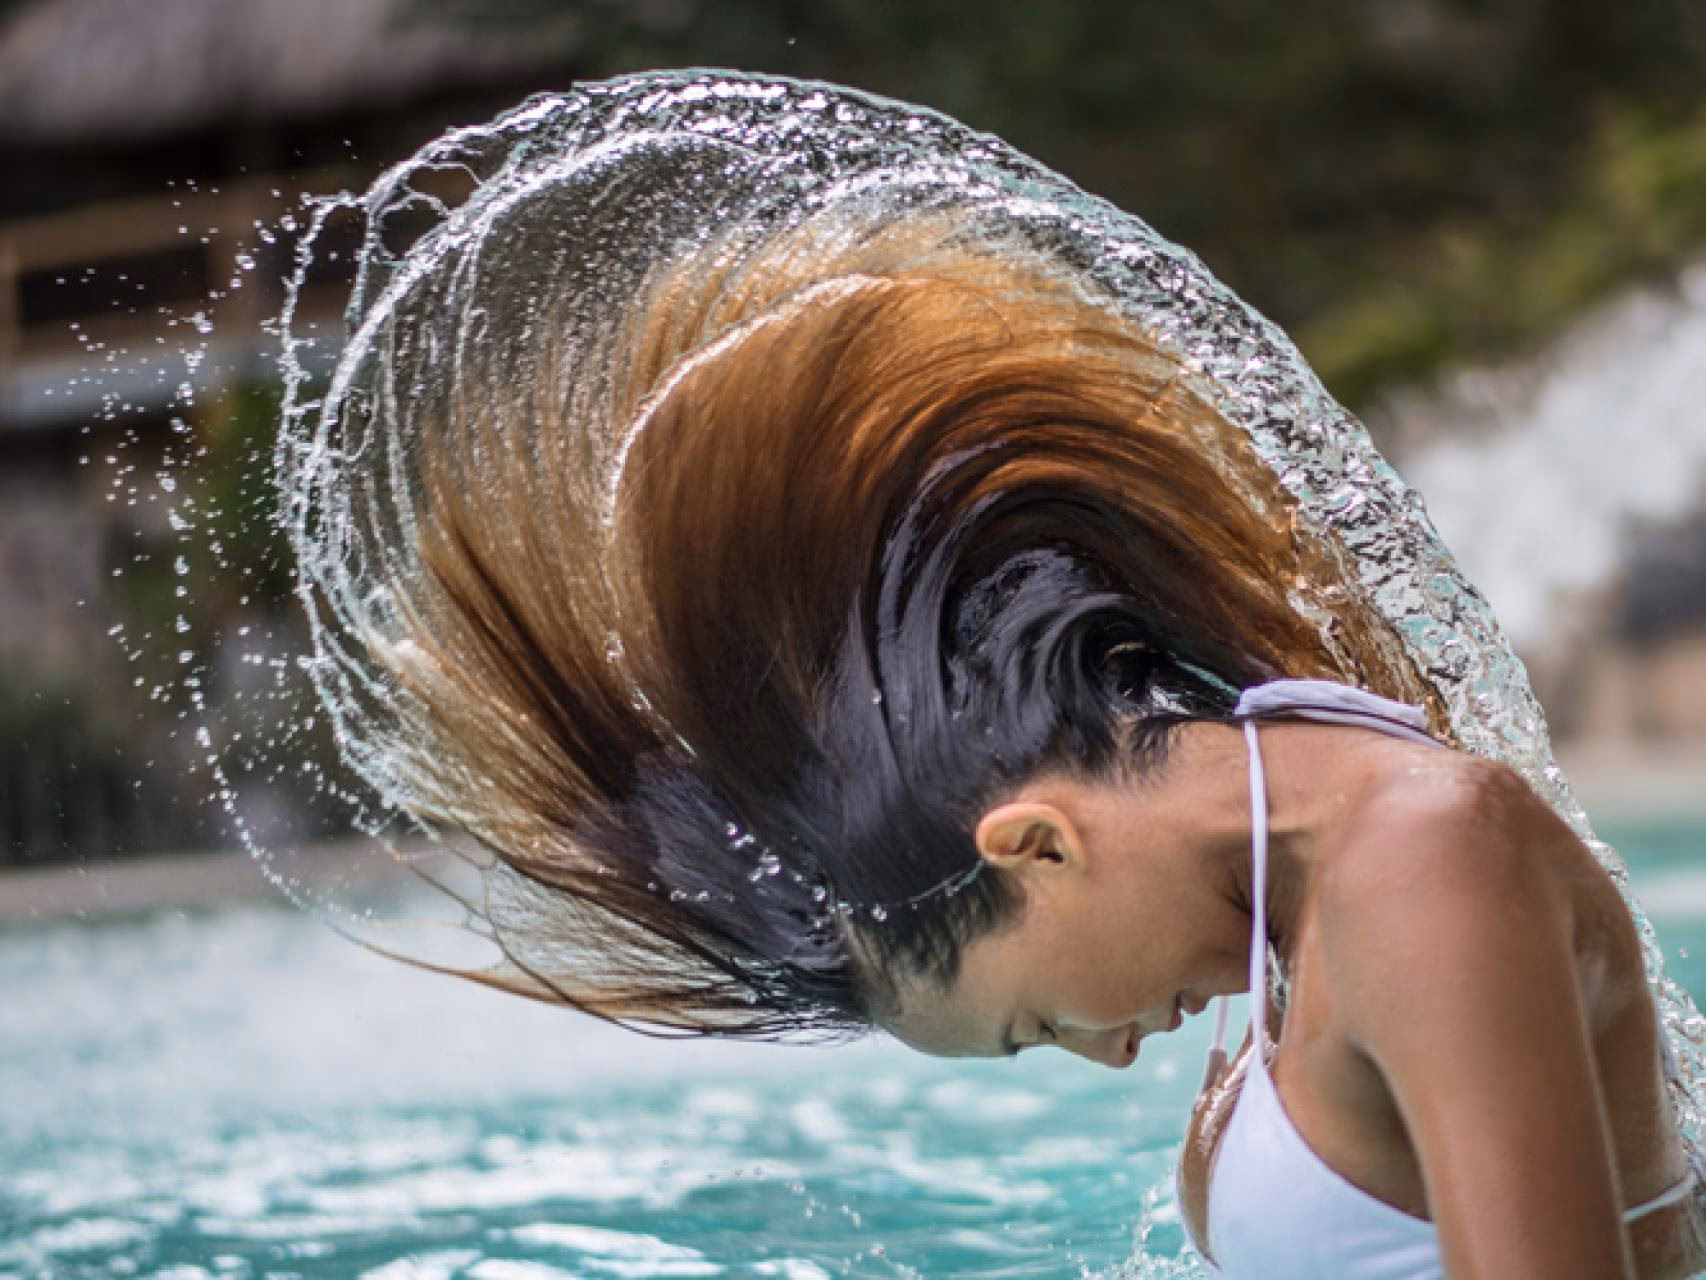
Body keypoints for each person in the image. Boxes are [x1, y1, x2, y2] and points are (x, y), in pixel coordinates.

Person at [290, 73, 1706, 1280]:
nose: (1102, 1057)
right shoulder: (1339, 888)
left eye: (1031, 1029)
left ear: (1035, 840)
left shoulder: (1418, 860)